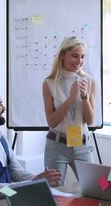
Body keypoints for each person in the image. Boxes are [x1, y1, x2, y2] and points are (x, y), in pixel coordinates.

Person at [0, 86, 62, 193]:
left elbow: (16, 171)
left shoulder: (0, 136)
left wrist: (38, 179)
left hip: (10, 196)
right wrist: (31, 185)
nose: (3, 108)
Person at [42, 36, 97, 185]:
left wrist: (84, 97)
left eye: (82, 57)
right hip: (57, 145)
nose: (79, 61)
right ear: (62, 55)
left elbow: (90, 120)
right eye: (74, 56)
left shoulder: (90, 81)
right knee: (55, 192)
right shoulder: (49, 83)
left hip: (82, 145)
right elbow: (52, 121)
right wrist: (71, 98)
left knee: (94, 187)